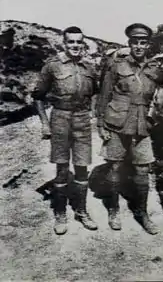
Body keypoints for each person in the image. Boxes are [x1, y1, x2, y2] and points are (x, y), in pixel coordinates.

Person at [97, 23, 163, 234]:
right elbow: (104, 96)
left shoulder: (155, 68)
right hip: (116, 124)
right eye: (135, 42)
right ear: (129, 43)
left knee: (142, 170)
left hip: (142, 126)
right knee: (115, 168)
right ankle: (113, 209)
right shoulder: (116, 64)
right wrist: (101, 125)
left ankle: (142, 213)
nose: (139, 46)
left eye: (143, 42)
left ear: (148, 45)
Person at [32, 26, 98, 235]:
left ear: (83, 43)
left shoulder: (89, 66)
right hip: (60, 118)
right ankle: (60, 213)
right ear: (64, 43)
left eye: (79, 42)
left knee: (82, 167)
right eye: (71, 42)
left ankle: (81, 211)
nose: (76, 46)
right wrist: (44, 123)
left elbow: (95, 93)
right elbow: (38, 96)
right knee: (62, 168)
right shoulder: (52, 66)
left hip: (82, 119)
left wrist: (92, 113)